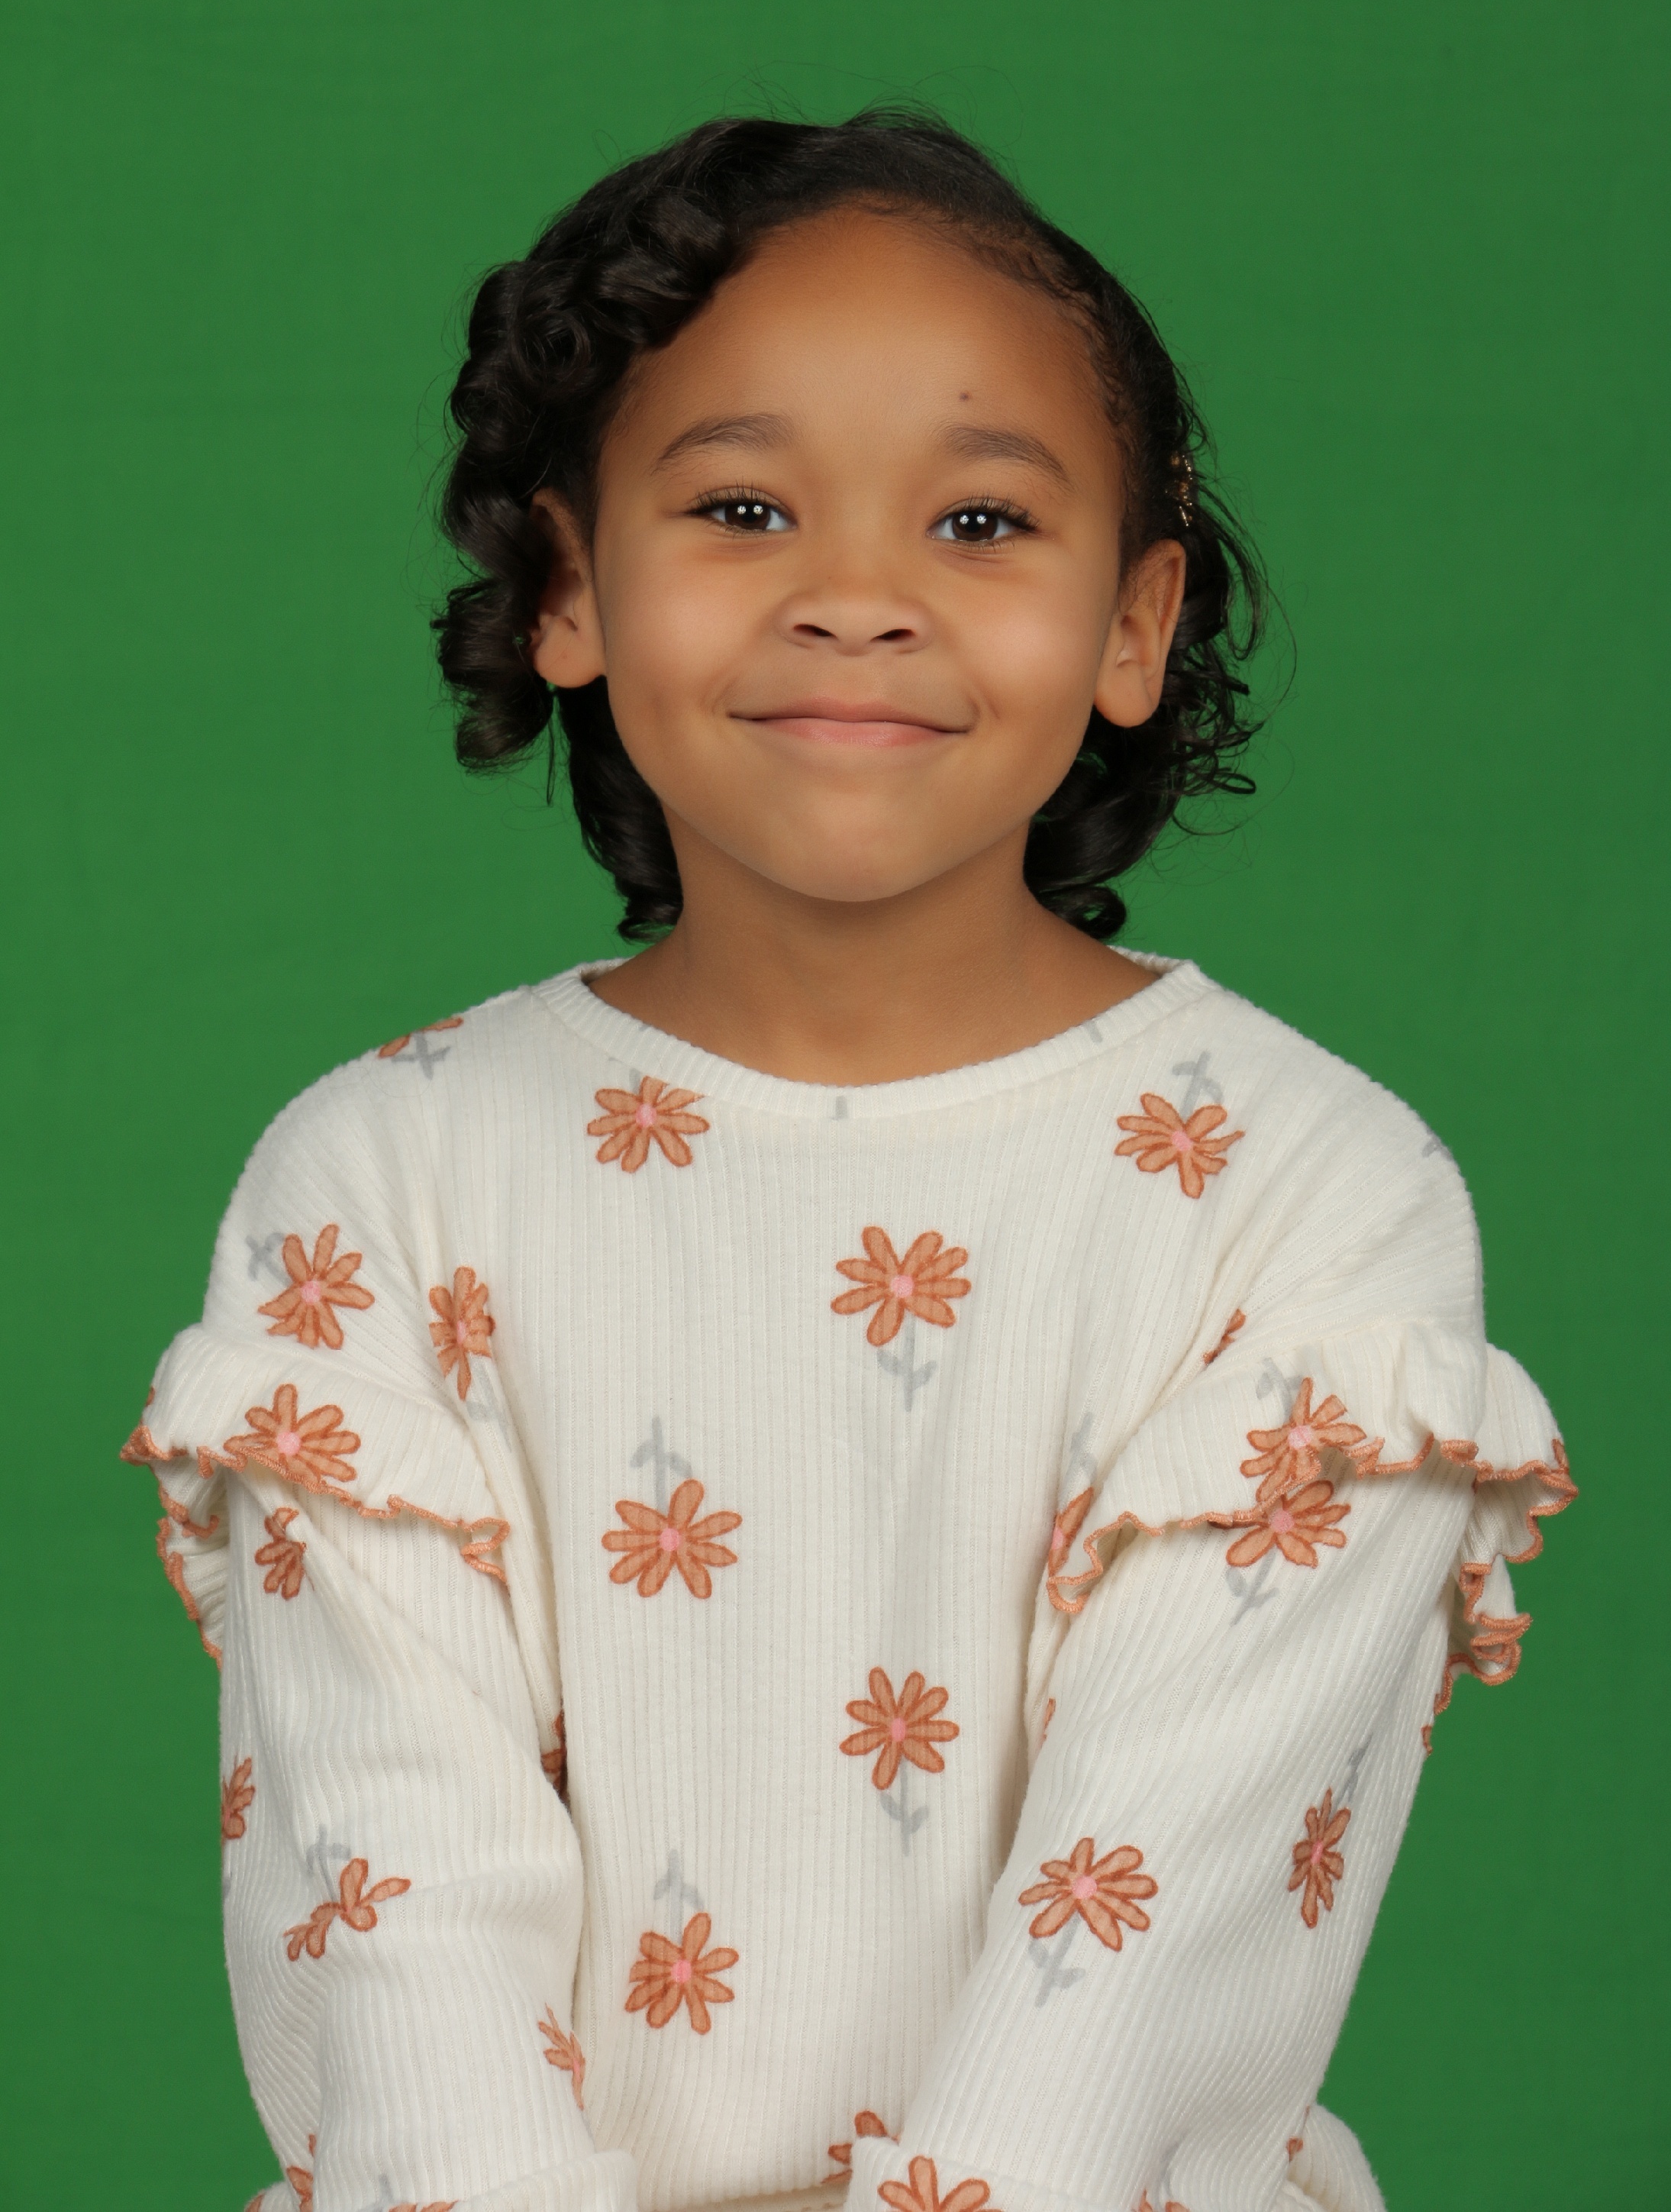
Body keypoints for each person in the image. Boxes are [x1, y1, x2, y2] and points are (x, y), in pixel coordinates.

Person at [125, 115, 1573, 2212]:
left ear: (1135, 621)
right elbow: (396, 1926)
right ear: (567, 587)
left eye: (981, 520)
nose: (860, 600)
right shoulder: (382, 1179)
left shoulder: (1309, 1191)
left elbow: (1139, 1960)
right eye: (743, 507)